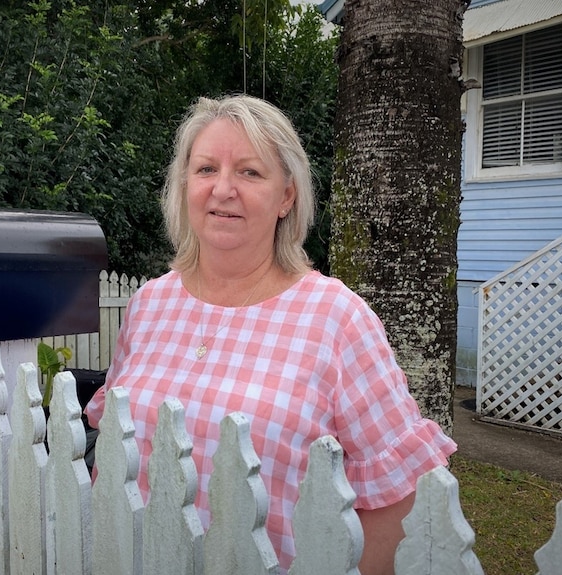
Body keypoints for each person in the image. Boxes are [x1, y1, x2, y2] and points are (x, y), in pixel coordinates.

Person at [85, 94, 457, 575]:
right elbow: (115, 449)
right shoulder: (148, 305)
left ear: (286, 196)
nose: (222, 189)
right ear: (184, 185)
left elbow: (402, 501)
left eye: (249, 172)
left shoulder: (336, 318)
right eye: (205, 169)